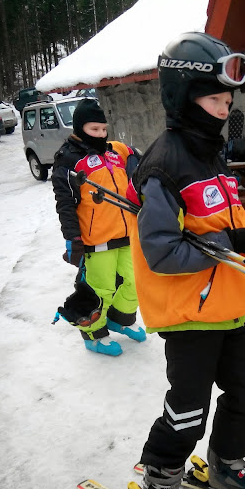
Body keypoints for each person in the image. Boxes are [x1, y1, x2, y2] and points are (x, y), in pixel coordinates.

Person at [127, 32, 245, 489]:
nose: (225, 109)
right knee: (188, 409)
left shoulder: (209, 153)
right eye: (217, 99)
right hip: (190, 316)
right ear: (186, 95)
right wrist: (233, 239)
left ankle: (226, 464)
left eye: (228, 100)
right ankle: (159, 486)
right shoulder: (164, 165)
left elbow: (221, 221)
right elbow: (162, 251)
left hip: (229, 308)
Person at [52, 98, 146, 356]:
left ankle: (120, 319)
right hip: (96, 239)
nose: (101, 135)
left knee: (134, 281)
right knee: (100, 290)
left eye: (104, 129)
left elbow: (136, 154)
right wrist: (73, 240)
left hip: (126, 233)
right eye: (95, 130)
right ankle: (93, 334)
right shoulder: (68, 160)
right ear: (80, 128)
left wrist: (138, 162)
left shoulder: (113, 152)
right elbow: (65, 205)